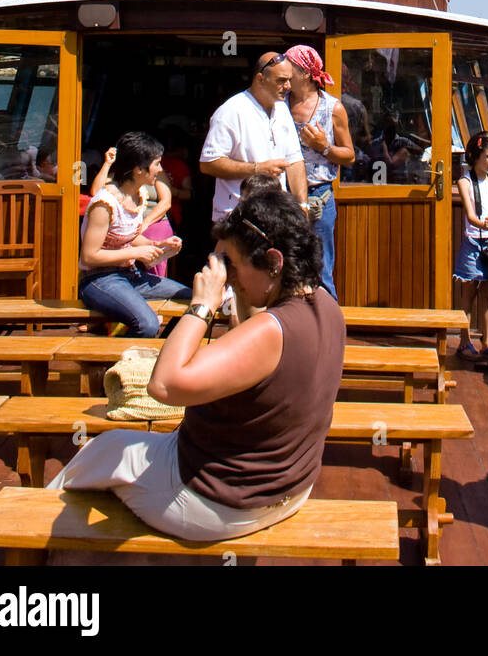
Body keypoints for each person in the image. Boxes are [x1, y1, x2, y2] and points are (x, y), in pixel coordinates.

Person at [49, 180, 346, 543]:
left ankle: (33, 537)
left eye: (234, 264)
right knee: (111, 453)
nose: (230, 277)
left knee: (101, 451)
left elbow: (165, 386)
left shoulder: (271, 331)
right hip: (290, 490)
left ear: (273, 261)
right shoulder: (329, 309)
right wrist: (238, 276)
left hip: (217, 502)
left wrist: (201, 307)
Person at [78, 131, 191, 336]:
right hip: (99, 279)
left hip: (130, 275)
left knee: (191, 298)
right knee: (147, 325)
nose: (160, 169)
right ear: (139, 169)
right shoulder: (105, 205)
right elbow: (89, 256)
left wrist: (158, 245)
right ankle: (117, 365)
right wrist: (136, 254)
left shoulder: (138, 195)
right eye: (156, 163)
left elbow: (128, 236)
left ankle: (160, 353)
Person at [199, 52, 308, 222]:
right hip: (237, 217)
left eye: (289, 80)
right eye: (281, 80)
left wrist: (302, 207)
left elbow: (294, 160)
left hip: (276, 216)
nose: (288, 86)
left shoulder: (282, 109)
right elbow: (208, 164)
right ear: (260, 79)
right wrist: (257, 169)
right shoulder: (231, 111)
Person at [285, 44, 354, 300]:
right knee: (284, 264)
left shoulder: (332, 108)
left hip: (319, 196)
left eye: (288, 65)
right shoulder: (280, 104)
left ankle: (327, 329)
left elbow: (350, 154)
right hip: (284, 193)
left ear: (304, 73)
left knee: (320, 267)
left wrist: (323, 146)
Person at [453, 131, 488, 363]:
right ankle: (464, 340)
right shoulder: (464, 182)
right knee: (469, 292)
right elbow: (471, 215)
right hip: (474, 242)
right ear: (475, 156)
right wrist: (481, 224)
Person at [90, 145, 176, 279]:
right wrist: (107, 164)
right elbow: (96, 191)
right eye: (157, 163)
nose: (159, 168)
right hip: (130, 224)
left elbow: (166, 202)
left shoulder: (156, 174)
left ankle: (155, 281)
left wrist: (145, 225)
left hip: (154, 221)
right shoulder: (120, 180)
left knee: (155, 237)